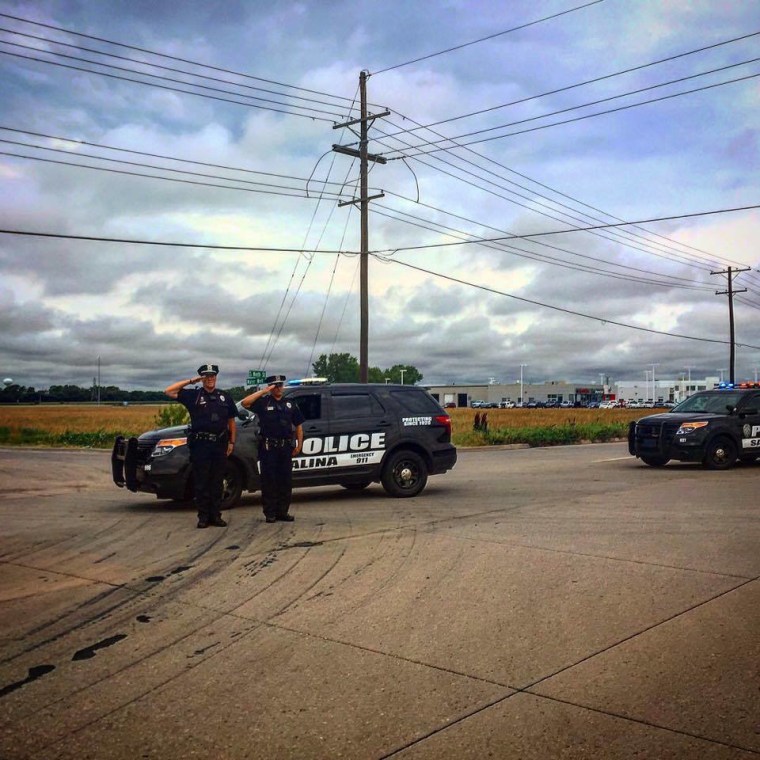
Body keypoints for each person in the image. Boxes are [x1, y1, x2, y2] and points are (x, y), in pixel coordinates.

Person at [165, 363, 237, 529]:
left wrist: (232, 442)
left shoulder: (224, 397)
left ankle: (216, 516)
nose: (210, 379)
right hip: (201, 445)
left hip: (220, 444)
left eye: (212, 376)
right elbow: (169, 391)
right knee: (202, 481)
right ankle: (203, 517)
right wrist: (192, 380)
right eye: (206, 376)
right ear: (202, 378)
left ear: (216, 377)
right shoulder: (194, 395)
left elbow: (231, 421)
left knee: (217, 481)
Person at [241, 375, 304, 523]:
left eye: (280, 385)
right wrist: (264, 391)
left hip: (285, 448)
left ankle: (283, 512)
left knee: (285, 481)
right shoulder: (263, 403)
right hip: (269, 448)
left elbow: (299, 425)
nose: (278, 388)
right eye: (275, 385)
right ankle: (270, 513)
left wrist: (299, 444)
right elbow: (245, 403)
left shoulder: (290, 404)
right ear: (270, 387)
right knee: (269, 481)